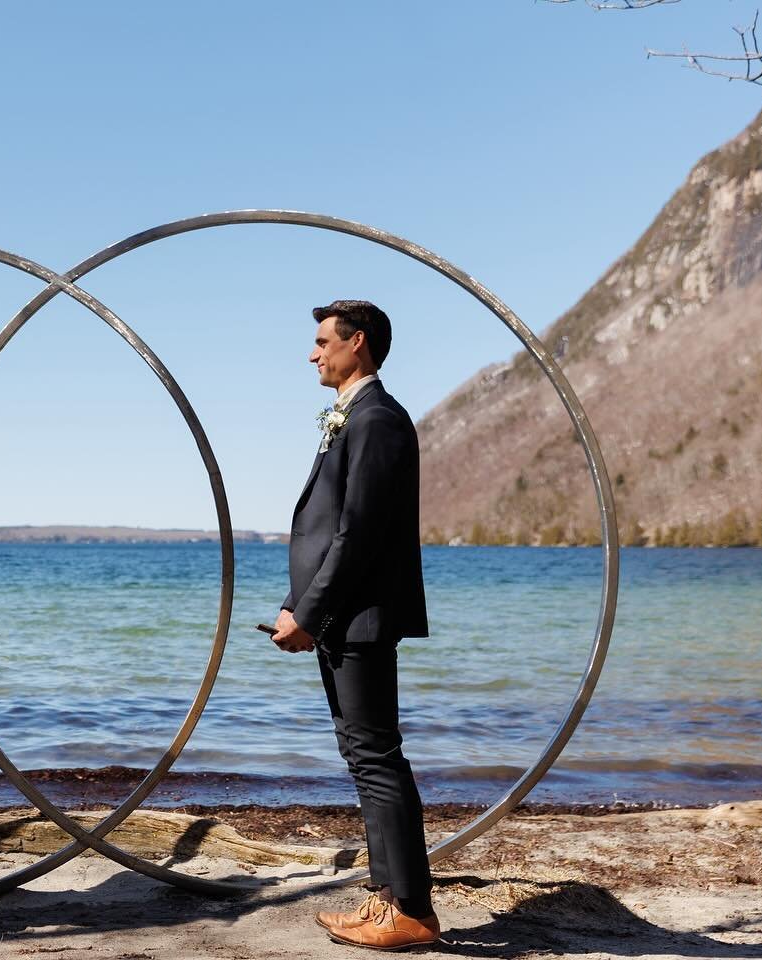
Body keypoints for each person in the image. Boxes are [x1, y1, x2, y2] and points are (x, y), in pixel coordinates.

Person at [270, 300, 440, 950]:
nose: (313, 353)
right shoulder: (355, 416)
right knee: (362, 756)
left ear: (357, 343)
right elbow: (331, 530)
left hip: (360, 618)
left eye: (321, 342)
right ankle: (385, 899)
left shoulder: (378, 419)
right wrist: (301, 604)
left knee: (376, 756)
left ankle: (413, 911)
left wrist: (308, 612)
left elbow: (358, 533)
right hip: (342, 616)